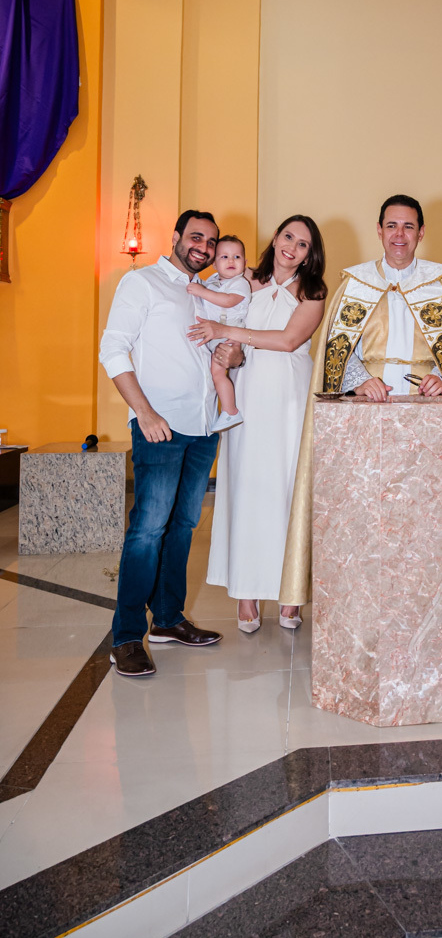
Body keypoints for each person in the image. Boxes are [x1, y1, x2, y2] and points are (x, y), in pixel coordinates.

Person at [278, 193, 442, 610]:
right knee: (366, 511)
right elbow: (336, 351)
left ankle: (422, 601)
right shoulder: (356, 283)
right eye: (391, 226)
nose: (399, 235)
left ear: (421, 232)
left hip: (427, 415)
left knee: (422, 512)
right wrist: (359, 380)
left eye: (408, 226)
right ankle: (364, 598)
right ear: (379, 230)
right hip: (367, 411)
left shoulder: (441, 282)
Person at [99, 210, 224, 678]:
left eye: (211, 241)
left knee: (184, 527)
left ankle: (168, 621)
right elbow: (112, 348)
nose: (204, 247)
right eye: (196, 237)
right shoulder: (143, 283)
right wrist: (145, 413)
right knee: (147, 531)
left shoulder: (205, 293)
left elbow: (209, 352)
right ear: (175, 237)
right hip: (160, 427)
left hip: (203, 428)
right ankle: (127, 635)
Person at [189, 216, 327, 632]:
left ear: (309, 254)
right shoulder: (246, 281)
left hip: (290, 396)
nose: (292, 247)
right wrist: (226, 347)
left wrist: (226, 329)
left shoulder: (314, 293)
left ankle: (290, 594)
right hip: (248, 391)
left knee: (288, 489)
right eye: (288, 237)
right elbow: (213, 306)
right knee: (248, 488)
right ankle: (246, 593)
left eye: (303, 244)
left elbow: (287, 341)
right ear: (275, 238)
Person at [187, 235, 251, 433]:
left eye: (237, 257)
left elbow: (228, 301)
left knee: (217, 373)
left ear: (245, 263)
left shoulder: (240, 283)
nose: (231, 261)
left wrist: (201, 291)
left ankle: (230, 411)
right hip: (217, 336)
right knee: (213, 373)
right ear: (214, 264)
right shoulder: (213, 281)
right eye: (224, 257)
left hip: (230, 335)